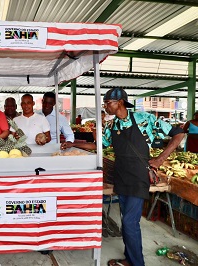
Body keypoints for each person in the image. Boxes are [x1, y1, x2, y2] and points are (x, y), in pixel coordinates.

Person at [63, 88, 184, 266]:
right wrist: (73, 143)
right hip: (121, 175)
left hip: (137, 176)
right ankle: (130, 258)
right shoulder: (112, 126)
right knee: (126, 220)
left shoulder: (145, 119)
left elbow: (179, 134)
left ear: (119, 102)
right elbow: (99, 146)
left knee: (129, 222)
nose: (105, 106)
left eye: (107, 103)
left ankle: (137, 263)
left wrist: (160, 159)